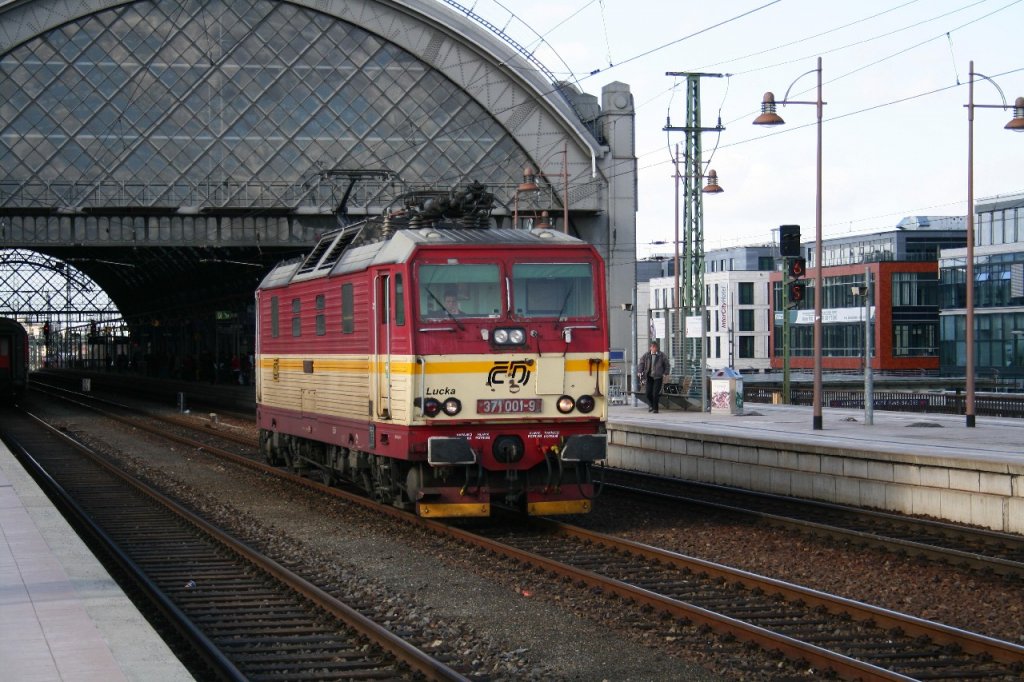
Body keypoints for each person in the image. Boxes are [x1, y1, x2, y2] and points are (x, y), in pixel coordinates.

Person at [638, 340, 670, 413]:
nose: (654, 349)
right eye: (653, 347)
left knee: (655, 393)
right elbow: (641, 363)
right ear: (650, 348)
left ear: (657, 348)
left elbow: (667, 364)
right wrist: (640, 371)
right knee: (648, 393)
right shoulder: (646, 355)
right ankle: (651, 405)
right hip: (649, 376)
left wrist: (665, 373)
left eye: (655, 347)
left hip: (658, 377)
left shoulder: (661, 355)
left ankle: (655, 409)